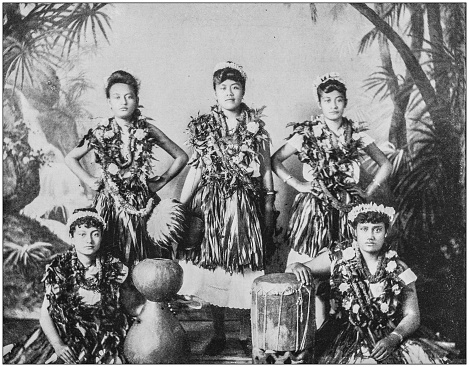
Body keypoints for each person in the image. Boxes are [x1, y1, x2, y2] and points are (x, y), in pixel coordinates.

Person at [271, 72, 392, 327]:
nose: (333, 106)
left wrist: (368, 191)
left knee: (344, 259)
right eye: (328, 100)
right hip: (314, 207)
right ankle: (301, 325)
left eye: (338, 100)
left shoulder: (356, 135)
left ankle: (337, 324)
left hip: (348, 207)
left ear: (345, 103)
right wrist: (299, 185)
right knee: (308, 259)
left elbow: (384, 163)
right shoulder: (308, 134)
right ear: (320, 104)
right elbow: (275, 160)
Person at [178, 61, 275, 355]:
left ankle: (245, 335)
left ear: (243, 90)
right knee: (214, 268)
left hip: (244, 205)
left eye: (235, 87)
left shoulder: (256, 128)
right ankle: (218, 334)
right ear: (215, 92)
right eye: (223, 88)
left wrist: (269, 200)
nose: (229, 92)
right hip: (212, 206)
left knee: (245, 269)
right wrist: (181, 207)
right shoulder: (205, 128)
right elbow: (195, 170)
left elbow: (266, 166)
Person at [286, 203, 449, 363]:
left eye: (377, 229)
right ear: (354, 231)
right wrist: (295, 266)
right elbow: (296, 269)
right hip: (343, 335)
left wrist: (393, 338)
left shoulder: (399, 268)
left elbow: (412, 315)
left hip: (388, 335)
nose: (370, 236)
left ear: (386, 232)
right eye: (364, 229)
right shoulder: (338, 258)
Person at [65, 70, 188, 267]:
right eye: (117, 97)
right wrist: (89, 180)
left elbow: (181, 156)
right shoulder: (100, 131)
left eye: (129, 97)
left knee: (145, 259)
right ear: (109, 102)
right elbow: (71, 158)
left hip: (141, 202)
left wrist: (162, 180)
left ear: (137, 100)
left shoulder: (146, 129)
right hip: (110, 203)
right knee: (110, 257)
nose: (123, 102)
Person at [3, 208, 130, 364]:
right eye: (82, 234)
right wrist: (58, 345)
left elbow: (128, 308)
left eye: (95, 234)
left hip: (104, 342)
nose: (89, 240)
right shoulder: (60, 270)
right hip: (66, 339)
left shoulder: (114, 269)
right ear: (72, 237)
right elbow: (45, 316)